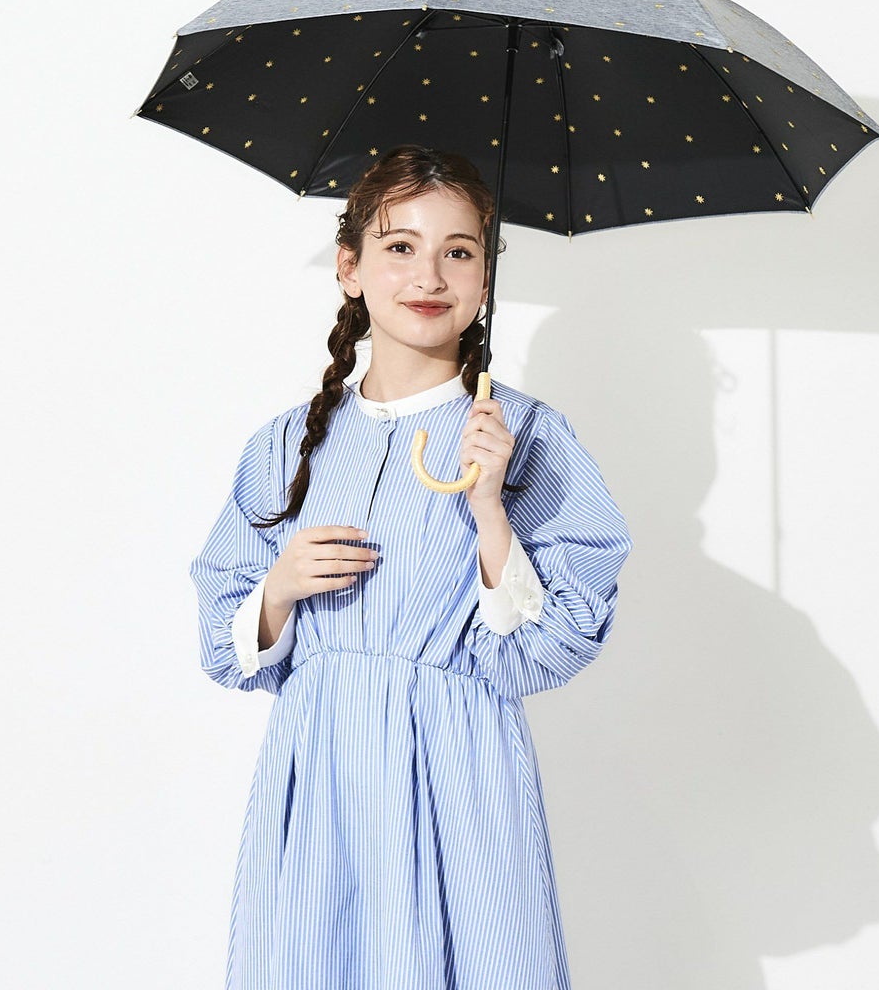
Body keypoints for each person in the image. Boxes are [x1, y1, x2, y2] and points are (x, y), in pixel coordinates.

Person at [189, 144, 634, 990]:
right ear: (349, 268)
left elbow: (550, 650)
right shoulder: (285, 445)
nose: (429, 275)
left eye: (458, 251)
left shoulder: (524, 436)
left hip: (458, 774)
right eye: (400, 246)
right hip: (320, 777)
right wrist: (279, 588)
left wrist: (491, 508)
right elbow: (224, 645)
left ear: (485, 279)